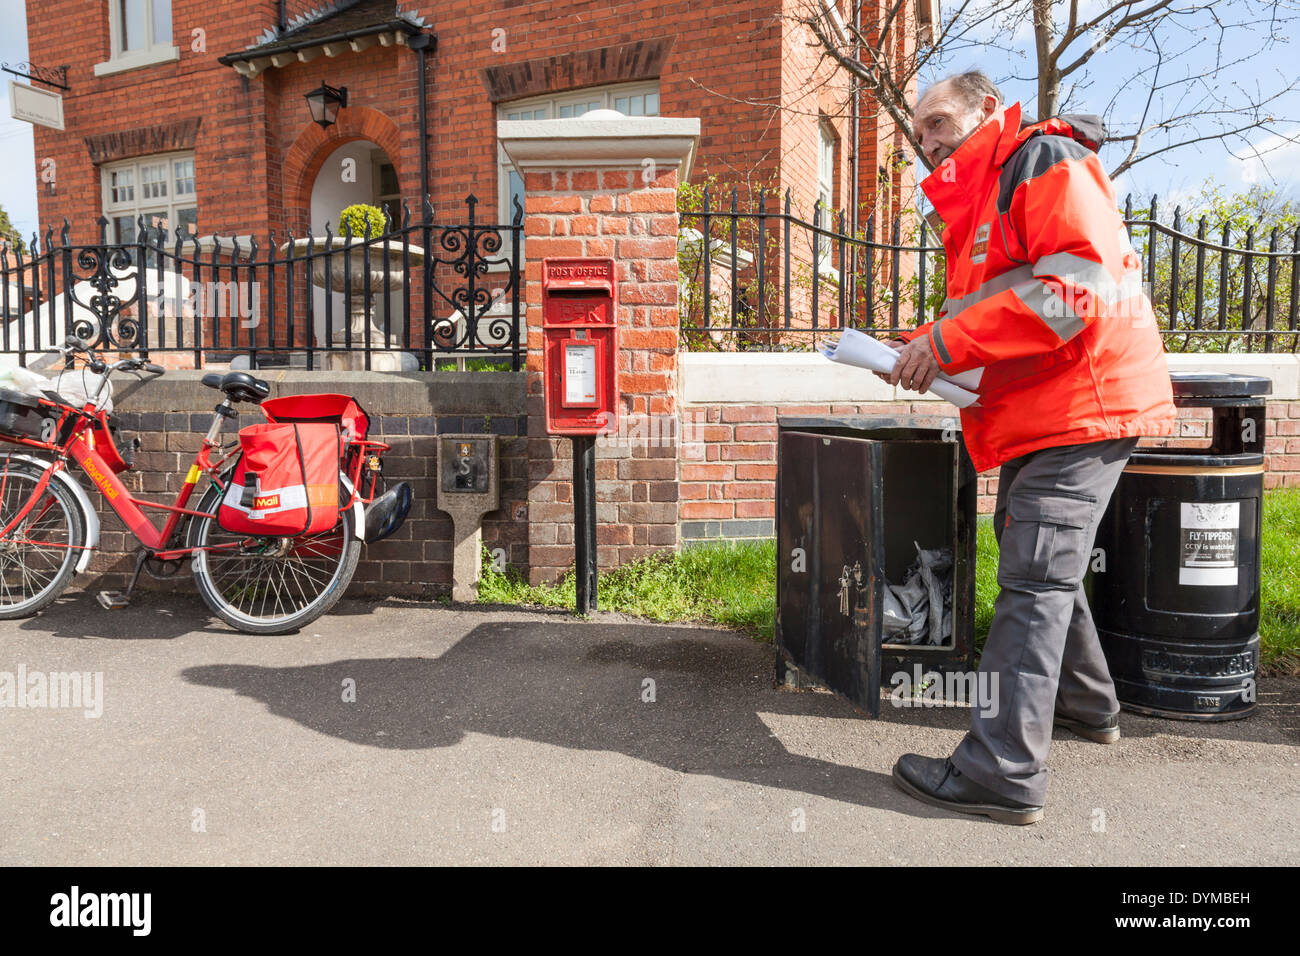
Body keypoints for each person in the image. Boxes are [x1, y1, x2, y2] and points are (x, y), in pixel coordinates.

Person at [880, 71, 1177, 825]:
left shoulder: (1039, 159)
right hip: (1052, 409)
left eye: (938, 121)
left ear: (986, 109)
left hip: (1084, 403)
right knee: (1038, 555)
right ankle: (1085, 704)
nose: (927, 141)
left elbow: (1076, 291)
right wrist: (927, 346)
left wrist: (948, 340)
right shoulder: (984, 196)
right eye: (918, 132)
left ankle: (1001, 769)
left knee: (1035, 576)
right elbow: (998, 312)